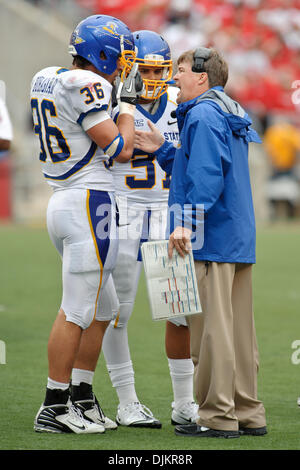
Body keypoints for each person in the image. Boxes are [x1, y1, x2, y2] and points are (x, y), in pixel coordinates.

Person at [137, 47, 267, 438]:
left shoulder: (203, 113)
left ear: (201, 77)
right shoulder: (225, 109)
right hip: (235, 236)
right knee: (239, 331)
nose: (174, 80)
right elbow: (199, 168)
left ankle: (218, 415)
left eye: (180, 72)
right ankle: (248, 412)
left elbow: (206, 176)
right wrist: (162, 148)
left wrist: (185, 224)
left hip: (210, 238)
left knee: (212, 331)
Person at [72, 30, 199, 428]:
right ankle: (127, 402)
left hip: (171, 214)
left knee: (179, 313)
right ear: (126, 67)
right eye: (142, 69)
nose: (151, 77)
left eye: (158, 70)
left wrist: (164, 147)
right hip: (121, 212)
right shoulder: (108, 102)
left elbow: (199, 162)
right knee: (118, 313)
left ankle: (184, 403)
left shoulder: (184, 103)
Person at [30, 14, 143, 434]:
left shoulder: (48, 76)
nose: (125, 65)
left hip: (65, 201)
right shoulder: (88, 85)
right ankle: (54, 405)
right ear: (102, 54)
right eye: (121, 56)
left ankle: (80, 396)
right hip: (87, 203)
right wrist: (127, 106)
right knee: (77, 308)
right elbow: (120, 149)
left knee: (106, 308)